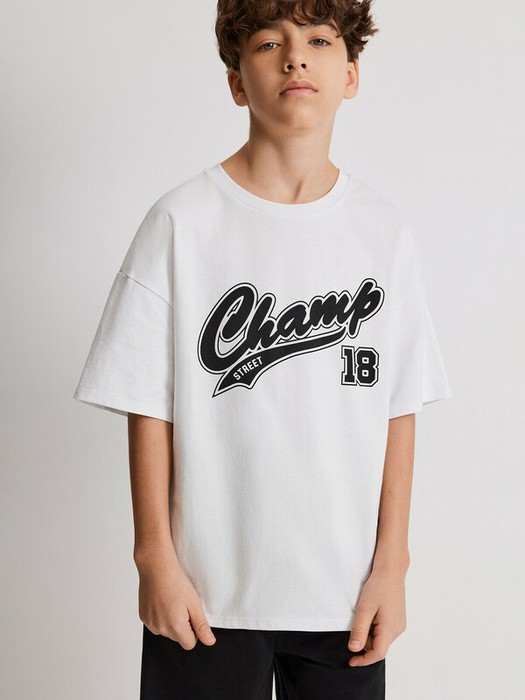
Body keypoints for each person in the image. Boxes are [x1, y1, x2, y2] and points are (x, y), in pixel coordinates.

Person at [73, 1, 452, 698]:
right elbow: (147, 405)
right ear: (236, 82)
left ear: (351, 74)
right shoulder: (182, 222)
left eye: (319, 40)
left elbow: (398, 408)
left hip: (345, 598)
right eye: (269, 43)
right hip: (205, 597)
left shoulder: (382, 232)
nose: (295, 56)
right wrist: (154, 558)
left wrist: (392, 567)